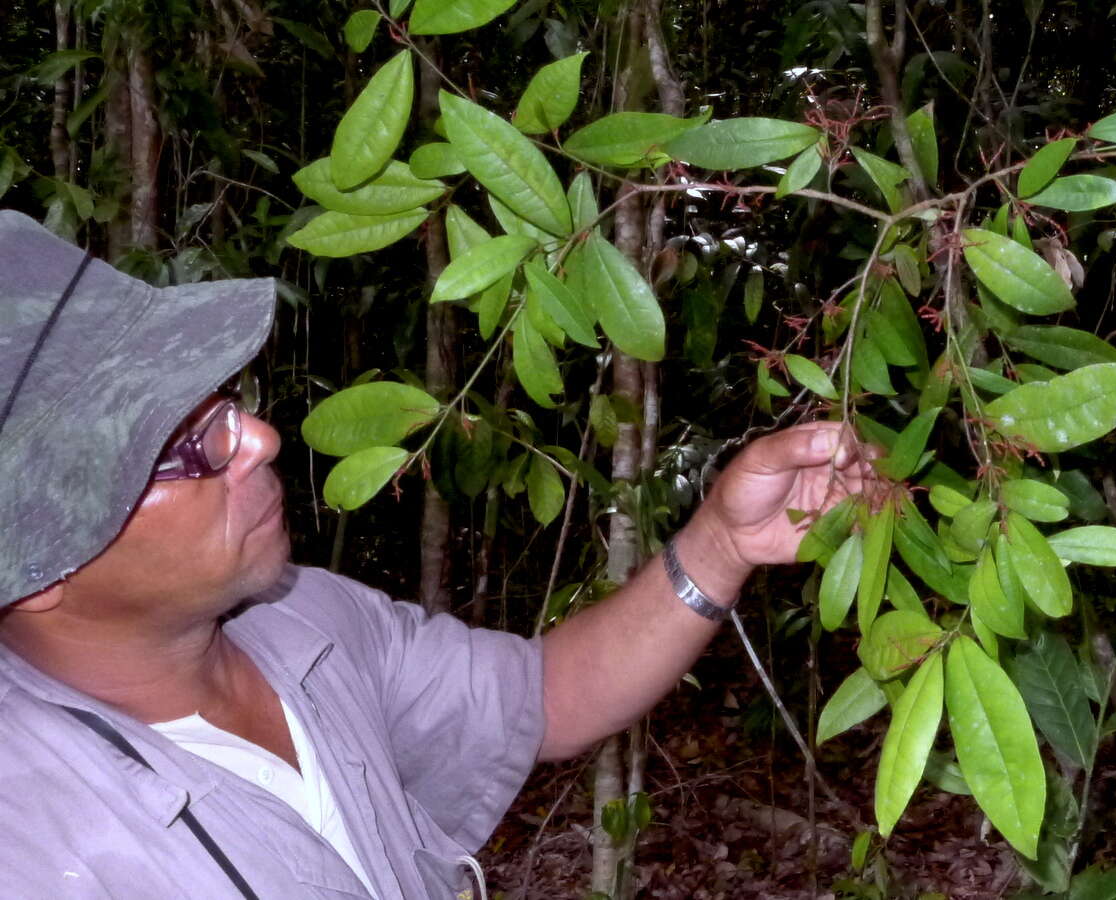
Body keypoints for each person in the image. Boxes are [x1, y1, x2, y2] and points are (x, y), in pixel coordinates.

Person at [0, 210, 871, 898]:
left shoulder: (301, 620)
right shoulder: (31, 841)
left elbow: (547, 695)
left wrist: (721, 540)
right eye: (180, 449)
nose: (259, 439)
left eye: (225, 402)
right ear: (41, 568)